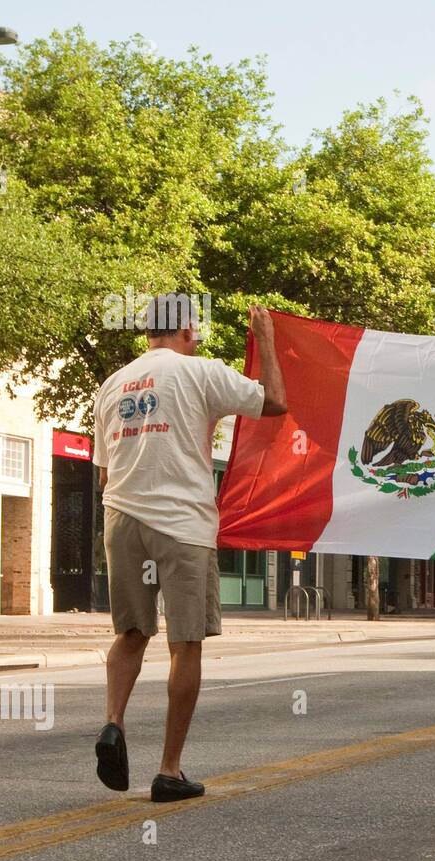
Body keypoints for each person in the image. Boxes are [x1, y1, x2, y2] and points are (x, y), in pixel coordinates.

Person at [93, 300, 286, 802]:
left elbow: (104, 474)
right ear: (183, 328)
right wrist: (265, 337)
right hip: (182, 524)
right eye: (195, 329)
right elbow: (275, 402)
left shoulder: (112, 384)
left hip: (121, 520)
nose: (197, 337)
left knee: (131, 633)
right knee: (185, 643)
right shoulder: (200, 372)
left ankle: (113, 722)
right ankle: (169, 770)